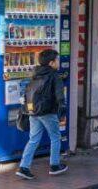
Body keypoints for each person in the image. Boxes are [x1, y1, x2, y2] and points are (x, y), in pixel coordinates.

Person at [16, 49, 68, 179]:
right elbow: (60, 95)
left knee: (33, 139)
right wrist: (62, 109)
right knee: (55, 137)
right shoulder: (54, 75)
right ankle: (55, 165)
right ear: (51, 63)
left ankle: (24, 167)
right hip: (48, 112)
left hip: (33, 112)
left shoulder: (36, 74)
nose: (58, 62)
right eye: (57, 60)